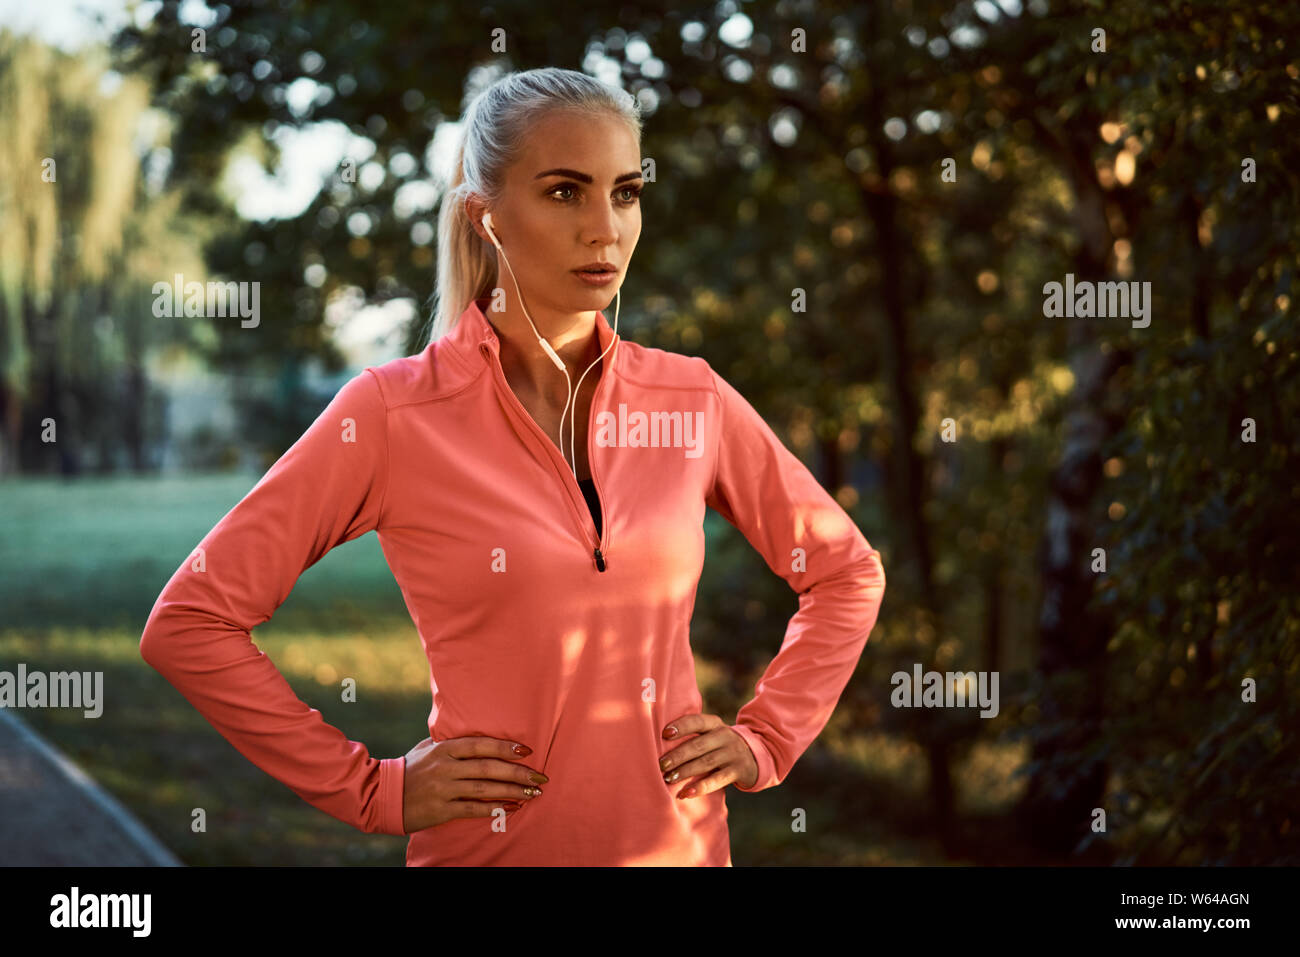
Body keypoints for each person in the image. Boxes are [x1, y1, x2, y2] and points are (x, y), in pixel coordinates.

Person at [139, 66, 886, 866]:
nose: (605, 229)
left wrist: (765, 737)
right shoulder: (394, 415)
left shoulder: (688, 396)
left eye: (625, 192)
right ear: (484, 216)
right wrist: (369, 788)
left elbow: (844, 571)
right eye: (566, 192)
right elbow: (190, 624)